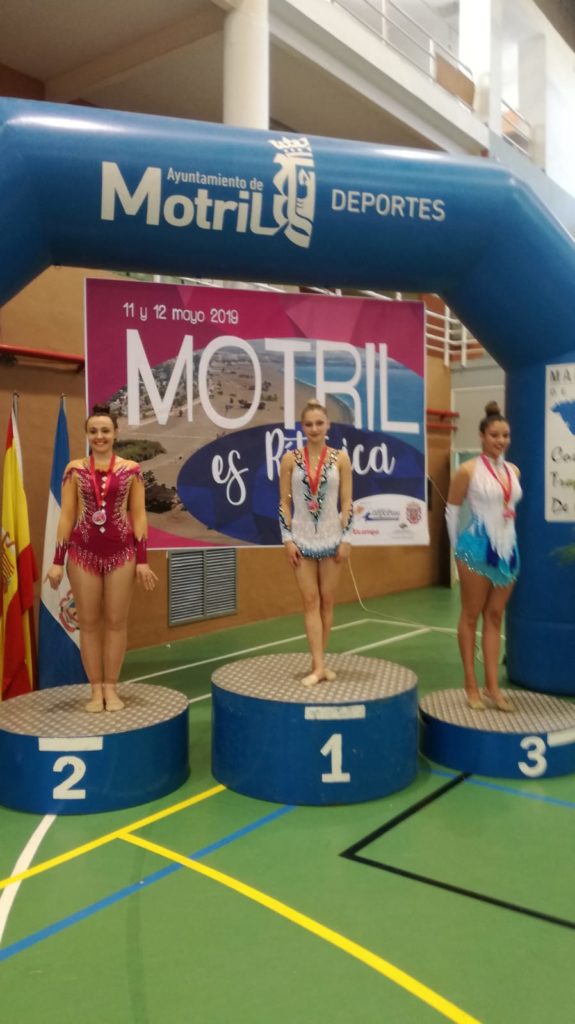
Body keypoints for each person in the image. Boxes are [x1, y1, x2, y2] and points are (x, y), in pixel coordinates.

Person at [45, 404, 158, 712]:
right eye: (93, 431)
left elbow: (139, 516)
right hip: (82, 554)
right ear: (86, 434)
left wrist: (142, 559)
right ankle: (96, 689)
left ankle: (111, 686)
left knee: (116, 622)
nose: (99, 436)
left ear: (115, 433)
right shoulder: (74, 470)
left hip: (122, 554)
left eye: (105, 430)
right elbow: (67, 516)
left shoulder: (131, 470)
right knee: (90, 623)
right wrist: (57, 561)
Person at [445, 401, 522, 712]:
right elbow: (451, 511)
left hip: (508, 550)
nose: (500, 440)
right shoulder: (467, 470)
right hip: (476, 550)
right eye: (494, 435)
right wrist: (455, 552)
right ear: (481, 436)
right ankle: (471, 683)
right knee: (470, 615)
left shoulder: (514, 471)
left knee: (495, 616)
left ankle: (493, 687)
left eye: (505, 435)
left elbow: (509, 507)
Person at [279, 399, 353, 686]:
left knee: (327, 601)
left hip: (333, 538)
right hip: (301, 539)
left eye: (319, 423)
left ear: (328, 425)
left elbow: (347, 502)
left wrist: (347, 538)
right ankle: (320, 667)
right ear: (302, 427)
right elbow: (284, 503)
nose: (314, 428)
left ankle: (318, 663)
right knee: (310, 600)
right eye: (309, 424)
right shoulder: (290, 459)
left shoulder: (341, 459)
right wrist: (287, 539)